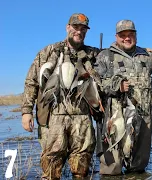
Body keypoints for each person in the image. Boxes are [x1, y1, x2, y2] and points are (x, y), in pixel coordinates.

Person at [21, 13, 100, 179]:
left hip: (82, 118)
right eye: (76, 27)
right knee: (51, 165)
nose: (79, 31)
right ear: (68, 27)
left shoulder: (94, 54)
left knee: (82, 165)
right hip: (53, 117)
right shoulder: (49, 52)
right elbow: (31, 81)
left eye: (83, 29)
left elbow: (112, 61)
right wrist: (26, 111)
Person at [94, 19, 152, 175]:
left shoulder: (146, 55)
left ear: (136, 36)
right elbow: (95, 82)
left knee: (138, 167)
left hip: (143, 118)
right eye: (122, 35)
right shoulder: (105, 56)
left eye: (130, 34)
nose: (127, 38)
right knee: (112, 167)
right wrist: (116, 85)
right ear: (116, 36)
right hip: (115, 117)